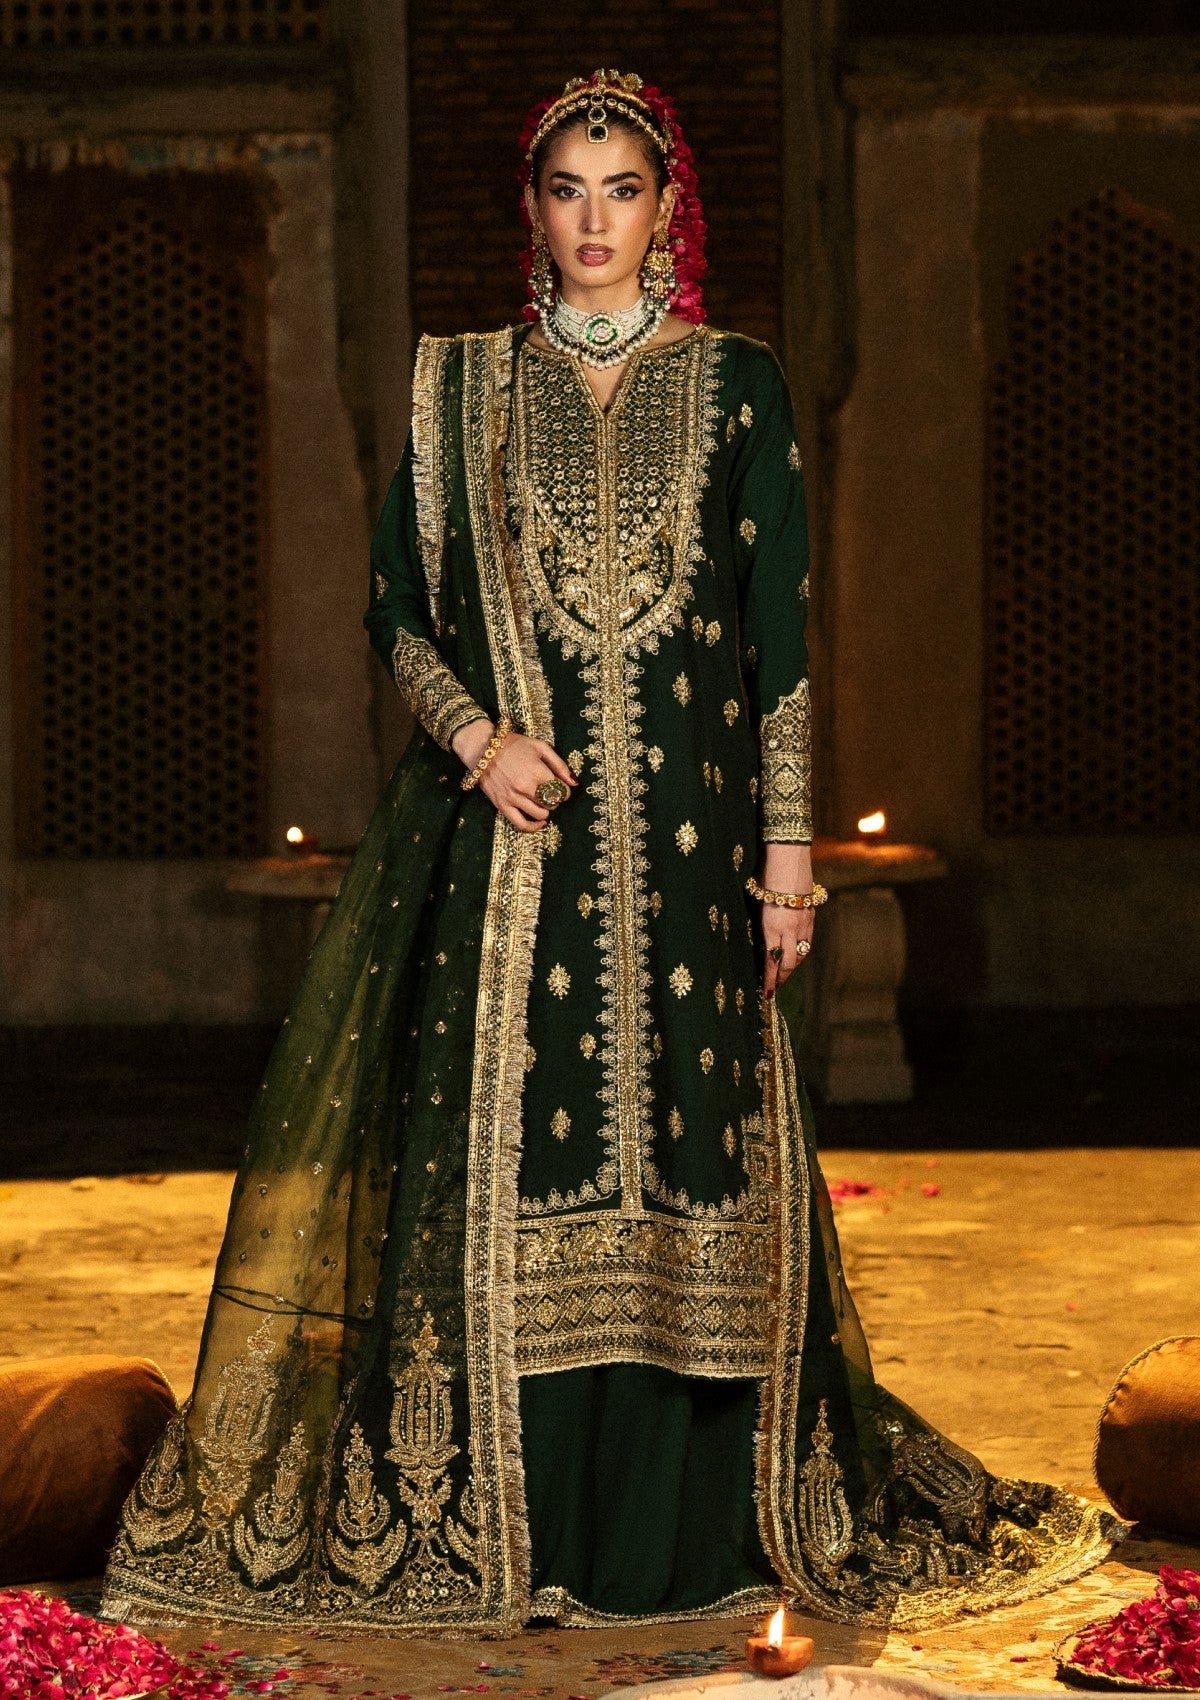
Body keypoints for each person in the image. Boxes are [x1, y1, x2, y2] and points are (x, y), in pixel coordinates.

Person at [102, 69, 1118, 1637]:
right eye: (567, 189)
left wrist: (790, 858)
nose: (594, 221)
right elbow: (397, 610)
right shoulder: (460, 391)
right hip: (515, 873)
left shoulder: (737, 386)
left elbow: (779, 645)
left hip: (697, 870)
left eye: (621, 189)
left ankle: (702, 1524)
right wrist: (476, 741)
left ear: (666, 208)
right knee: (516, 1164)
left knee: (702, 1161)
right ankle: (519, 1521)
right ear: (532, 206)